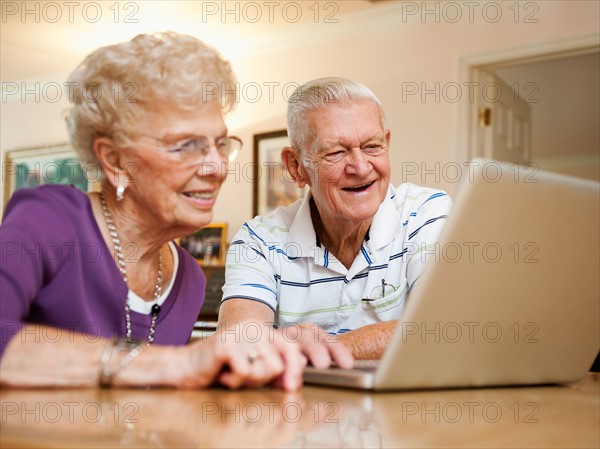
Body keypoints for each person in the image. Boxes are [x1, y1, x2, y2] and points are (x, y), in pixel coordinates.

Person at [0, 32, 334, 390]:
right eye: (186, 145)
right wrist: (182, 362)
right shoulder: (50, 219)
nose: (217, 167)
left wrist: (258, 352)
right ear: (115, 161)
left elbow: (153, 391)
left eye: (219, 144)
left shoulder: (187, 277)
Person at [219, 77, 452, 360]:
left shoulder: (426, 213)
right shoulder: (258, 240)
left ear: (386, 144)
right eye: (336, 152)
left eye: (371, 146)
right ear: (296, 167)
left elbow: (439, 327)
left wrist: (311, 352)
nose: (361, 167)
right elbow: (240, 347)